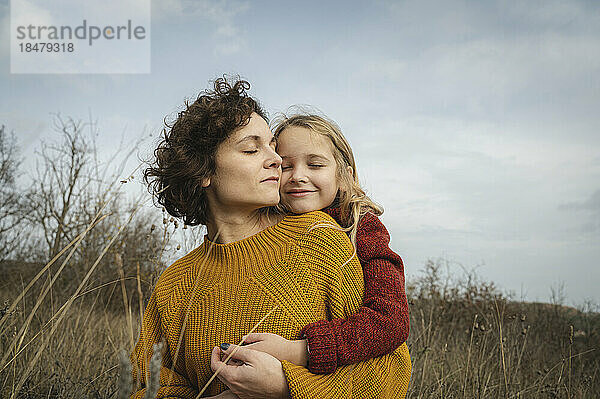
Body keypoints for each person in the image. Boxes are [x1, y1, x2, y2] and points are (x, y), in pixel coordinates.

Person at [131, 77, 411, 398]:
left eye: (272, 148)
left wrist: (287, 387)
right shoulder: (172, 285)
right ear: (202, 172)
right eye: (252, 149)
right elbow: (147, 388)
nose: (277, 160)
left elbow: (391, 368)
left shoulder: (320, 237)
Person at [224, 113, 411, 376]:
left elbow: (391, 321)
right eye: (286, 166)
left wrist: (303, 350)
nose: (298, 176)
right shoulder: (263, 228)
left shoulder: (361, 228)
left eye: (315, 165)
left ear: (344, 176)